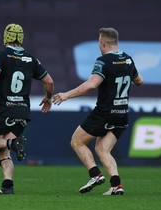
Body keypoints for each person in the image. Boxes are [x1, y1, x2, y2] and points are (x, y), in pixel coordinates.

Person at [53, 27, 144, 195]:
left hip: (104, 113)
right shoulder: (128, 59)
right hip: (122, 114)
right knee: (103, 150)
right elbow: (139, 81)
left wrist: (66, 95)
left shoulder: (103, 61)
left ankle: (94, 174)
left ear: (102, 43)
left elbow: (91, 85)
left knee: (76, 141)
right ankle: (116, 185)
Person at [0, 23, 54, 195]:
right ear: (21, 38)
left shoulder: (0, 55)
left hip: (4, 110)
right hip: (23, 112)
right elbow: (50, 82)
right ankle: (8, 185)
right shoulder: (31, 59)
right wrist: (48, 97)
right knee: (3, 149)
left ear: (6, 37)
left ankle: (13, 143)